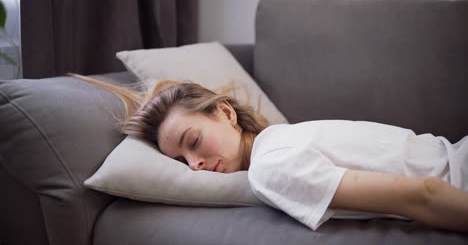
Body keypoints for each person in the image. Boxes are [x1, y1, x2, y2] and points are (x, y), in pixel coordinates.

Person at [70, 73, 468, 233]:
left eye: (193, 143)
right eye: (180, 162)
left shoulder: (271, 164)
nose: (195, 167)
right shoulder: (283, 139)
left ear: (225, 113)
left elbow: (425, 194)